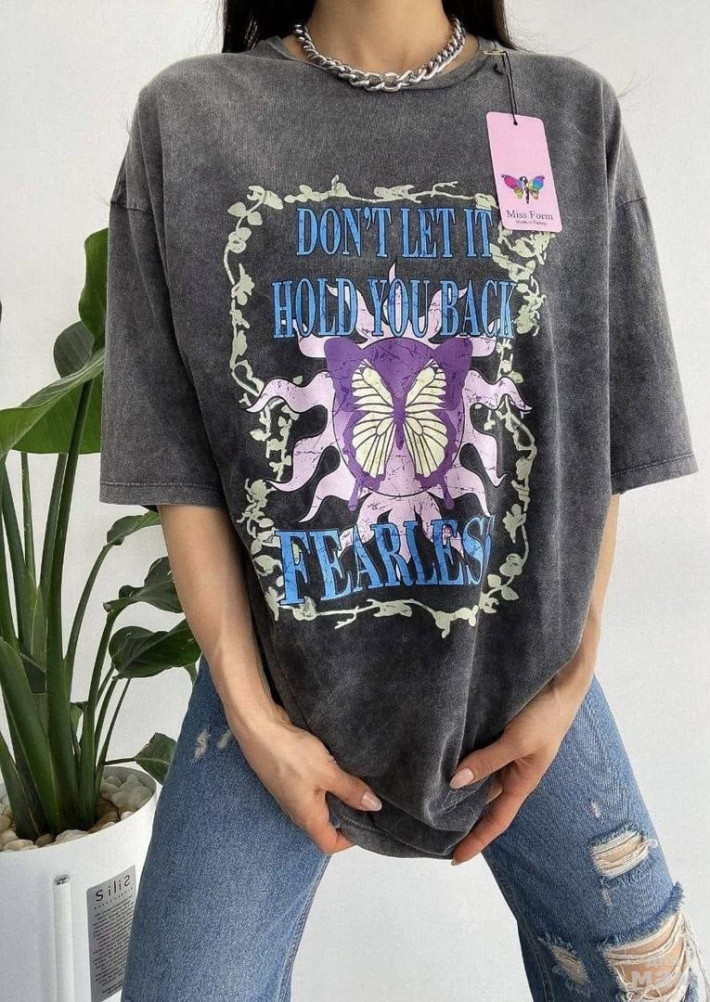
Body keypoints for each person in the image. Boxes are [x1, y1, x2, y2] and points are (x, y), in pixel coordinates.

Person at [100, 2, 706, 999]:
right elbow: (172, 453)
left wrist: (571, 675)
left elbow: (604, 428)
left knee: (647, 978)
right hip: (277, 680)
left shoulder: (563, 115)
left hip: (522, 686)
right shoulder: (193, 118)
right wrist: (251, 713)